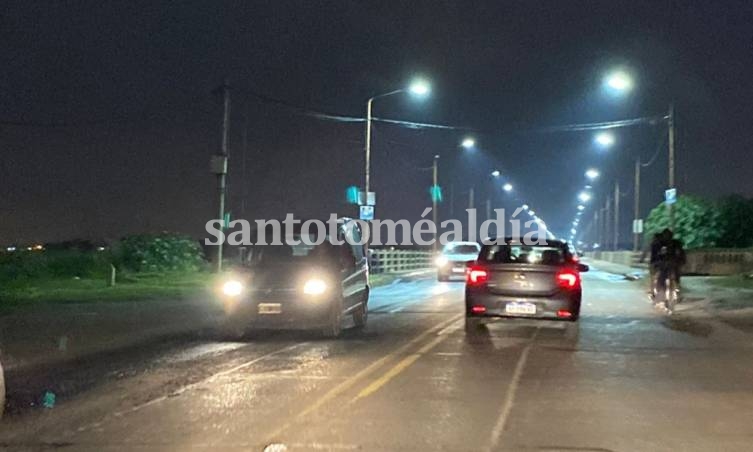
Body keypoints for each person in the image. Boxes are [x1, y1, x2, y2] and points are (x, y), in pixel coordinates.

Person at [650, 228, 686, 298]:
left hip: (672, 263)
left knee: (675, 275)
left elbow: (681, 253)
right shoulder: (658, 244)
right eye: (666, 236)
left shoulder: (676, 243)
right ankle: (659, 291)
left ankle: (676, 289)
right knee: (659, 276)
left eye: (669, 236)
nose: (667, 238)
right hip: (662, 264)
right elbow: (654, 256)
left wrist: (681, 261)